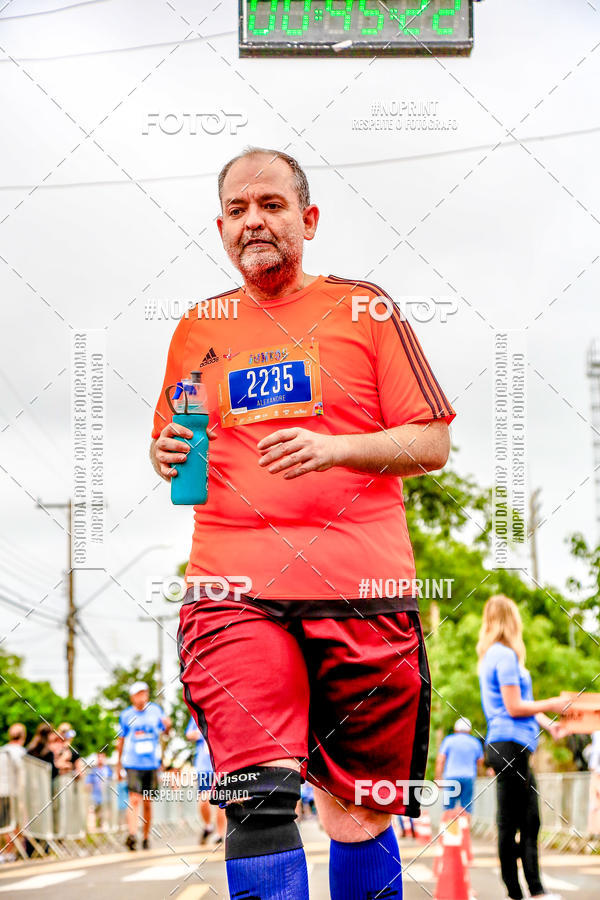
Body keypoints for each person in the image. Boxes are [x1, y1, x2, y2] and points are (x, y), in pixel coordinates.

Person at [150, 146, 455, 900]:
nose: (254, 220)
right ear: (220, 227)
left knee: (356, 817)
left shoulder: (367, 310)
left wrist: (335, 449)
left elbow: (432, 443)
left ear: (308, 219)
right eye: (237, 209)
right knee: (256, 797)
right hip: (234, 591)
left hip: (362, 594)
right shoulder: (198, 329)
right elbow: (186, 481)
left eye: (272, 205)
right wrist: (167, 455)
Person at [477, 594, 570, 900]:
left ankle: (528, 890)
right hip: (509, 747)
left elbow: (521, 705)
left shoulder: (492, 655)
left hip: (511, 745)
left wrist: (548, 723)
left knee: (525, 820)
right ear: (511, 620)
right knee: (514, 822)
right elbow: (515, 706)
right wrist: (555, 703)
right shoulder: (503, 656)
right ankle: (523, 892)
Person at [116, 681, 171, 851]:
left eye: (144, 693)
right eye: (138, 693)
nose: (142, 696)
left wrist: (168, 727)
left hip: (151, 763)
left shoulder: (155, 710)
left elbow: (165, 733)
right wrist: (119, 765)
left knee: (147, 802)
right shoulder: (126, 715)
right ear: (132, 697)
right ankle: (132, 834)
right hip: (132, 762)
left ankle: (146, 836)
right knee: (134, 799)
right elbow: (121, 739)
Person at [185, 716, 225, 845]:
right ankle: (208, 826)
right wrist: (203, 732)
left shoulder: (222, 713)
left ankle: (220, 834)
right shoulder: (198, 714)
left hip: (220, 766)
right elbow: (189, 734)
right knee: (204, 799)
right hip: (203, 767)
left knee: (222, 802)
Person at [434, 717, 484, 816]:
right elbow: (480, 763)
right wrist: (481, 776)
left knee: (448, 807)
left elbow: (440, 760)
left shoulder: (449, 740)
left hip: (451, 778)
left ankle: (447, 830)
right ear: (469, 730)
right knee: (467, 808)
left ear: (455, 729)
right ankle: (466, 830)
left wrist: (438, 778)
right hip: (468, 777)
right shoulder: (475, 742)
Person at [0, 723, 27, 861]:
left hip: (2, 791)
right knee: (14, 823)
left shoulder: (2, 750)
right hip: (13, 791)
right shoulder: (21, 752)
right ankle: (9, 852)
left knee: (4, 823)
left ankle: (6, 852)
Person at [85, 751, 113, 830]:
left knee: (104, 817)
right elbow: (88, 783)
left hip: (106, 797)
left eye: (102, 757)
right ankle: (93, 833)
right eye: (99, 757)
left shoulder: (109, 770)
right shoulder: (93, 771)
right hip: (95, 797)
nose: (100, 759)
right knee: (93, 815)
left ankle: (103, 834)